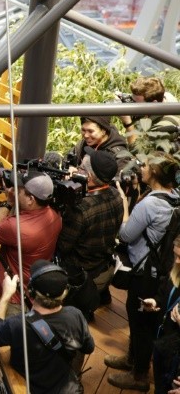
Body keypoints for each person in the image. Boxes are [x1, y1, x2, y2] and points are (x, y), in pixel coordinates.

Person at [105, 152, 180, 391]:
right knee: (141, 319)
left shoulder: (149, 204)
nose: (142, 168)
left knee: (140, 323)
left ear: (155, 173)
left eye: (146, 165)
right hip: (161, 269)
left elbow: (126, 235)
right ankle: (132, 358)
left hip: (144, 272)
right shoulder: (174, 197)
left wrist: (126, 207)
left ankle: (138, 375)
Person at [0, 261, 95, 394]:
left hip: (27, 387)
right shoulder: (75, 315)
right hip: (66, 388)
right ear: (65, 292)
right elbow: (89, 347)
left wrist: (6, 295)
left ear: (30, 291)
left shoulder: (18, 324)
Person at [56, 148, 122, 316]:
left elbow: (63, 246)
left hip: (81, 271)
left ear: (90, 177)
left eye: (81, 169)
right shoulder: (115, 194)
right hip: (102, 262)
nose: (76, 170)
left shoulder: (81, 208)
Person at [0, 171, 62, 315]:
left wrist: (8, 203)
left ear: (30, 199)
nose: (14, 191)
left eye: (19, 189)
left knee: (8, 334)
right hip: (33, 288)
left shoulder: (17, 227)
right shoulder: (55, 215)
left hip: (14, 296)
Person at [139, 234, 180, 394]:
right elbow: (165, 292)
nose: (176, 261)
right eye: (175, 255)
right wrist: (156, 301)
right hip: (163, 344)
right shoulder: (176, 270)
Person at [119, 77, 180, 154]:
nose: (132, 104)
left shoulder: (163, 127)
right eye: (132, 99)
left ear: (153, 104)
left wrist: (128, 123)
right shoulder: (163, 98)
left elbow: (137, 151)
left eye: (136, 103)